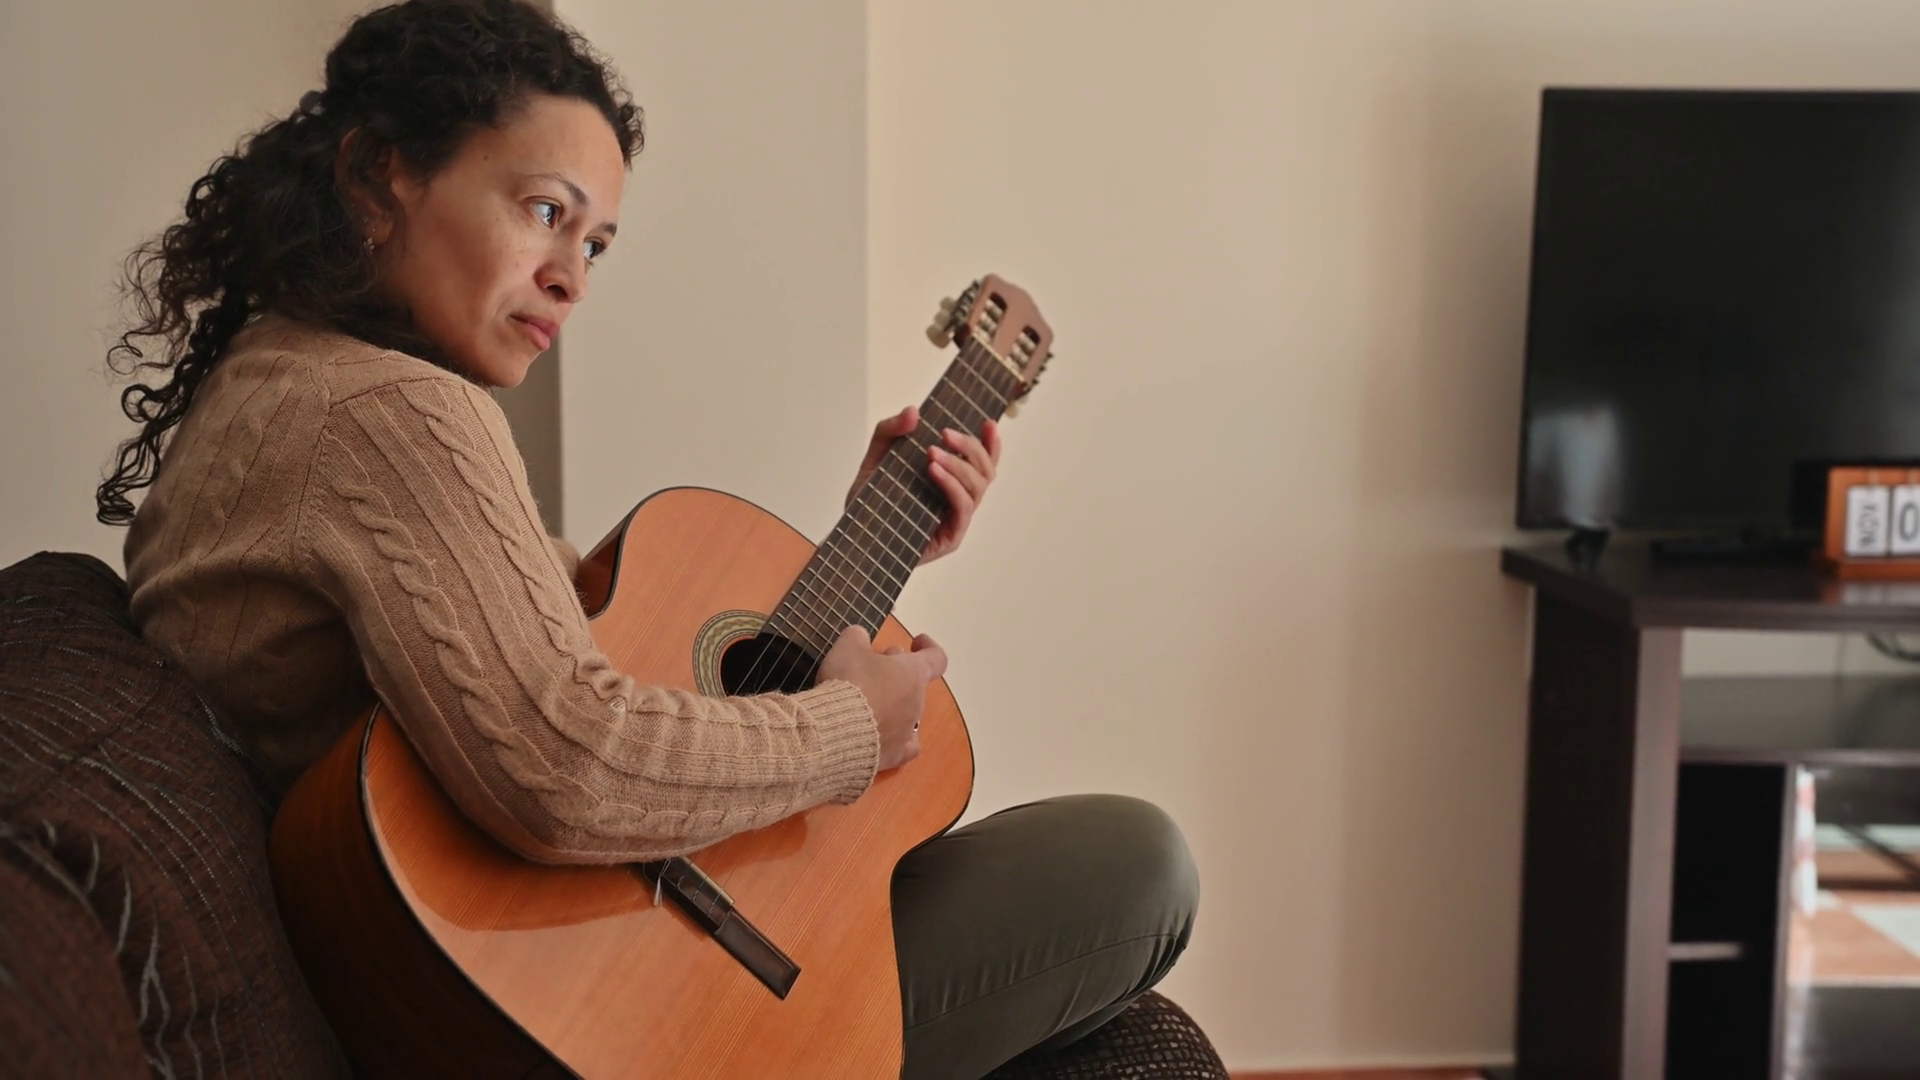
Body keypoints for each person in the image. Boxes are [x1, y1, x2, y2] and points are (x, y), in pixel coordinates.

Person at [101, 2, 1197, 1077]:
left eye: (596, 244)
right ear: (376, 175)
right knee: (1135, 860)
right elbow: (567, 760)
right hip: (577, 995)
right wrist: (852, 728)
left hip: (538, 948)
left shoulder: (284, 380)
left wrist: (881, 536)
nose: (571, 275)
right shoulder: (392, 412)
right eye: (545, 211)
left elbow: (567, 660)